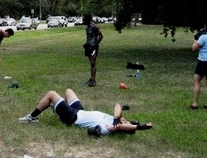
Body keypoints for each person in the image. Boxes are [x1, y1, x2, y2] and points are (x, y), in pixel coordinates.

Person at [18, 88, 153, 136]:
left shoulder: (111, 128)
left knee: (51, 94)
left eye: (126, 123)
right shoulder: (115, 119)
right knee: (69, 91)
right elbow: (118, 105)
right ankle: (59, 110)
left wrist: (141, 127)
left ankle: (31, 117)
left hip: (73, 116)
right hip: (79, 111)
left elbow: (125, 126)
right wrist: (118, 116)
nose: (125, 120)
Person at [189, 22, 207, 109]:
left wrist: (195, 39)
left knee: (196, 81)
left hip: (203, 61)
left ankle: (195, 103)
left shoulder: (204, 37)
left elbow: (194, 48)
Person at [82, 13, 103, 87]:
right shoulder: (88, 27)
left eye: (84, 19)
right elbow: (89, 37)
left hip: (93, 47)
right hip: (88, 47)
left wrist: (95, 45)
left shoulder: (94, 26)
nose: (82, 21)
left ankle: (93, 81)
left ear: (87, 19)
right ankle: (91, 79)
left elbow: (101, 36)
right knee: (91, 63)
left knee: (93, 63)